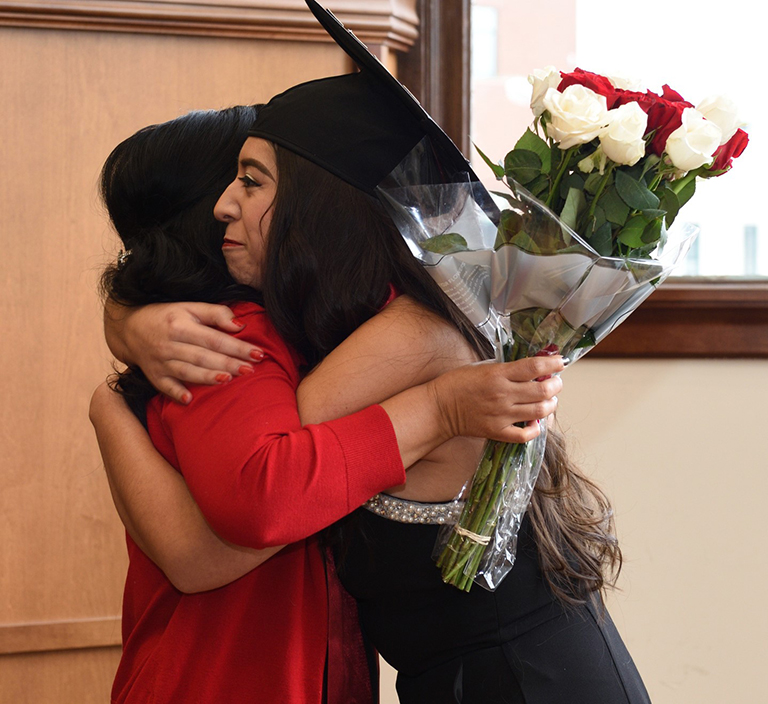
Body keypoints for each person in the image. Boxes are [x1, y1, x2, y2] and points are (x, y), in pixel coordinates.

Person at [94, 2, 651, 702]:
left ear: (314, 206)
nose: (224, 207)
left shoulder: (415, 335)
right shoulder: (361, 318)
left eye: (253, 180)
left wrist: (110, 402)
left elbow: (239, 515)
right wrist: (127, 325)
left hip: (523, 684)